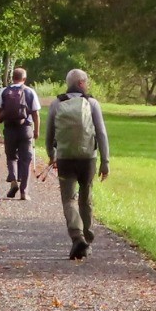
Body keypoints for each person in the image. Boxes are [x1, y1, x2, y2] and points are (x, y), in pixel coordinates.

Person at [45, 68, 109, 260]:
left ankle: (77, 236)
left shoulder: (57, 104)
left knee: (68, 199)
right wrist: (105, 161)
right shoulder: (92, 103)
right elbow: (101, 133)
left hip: (65, 158)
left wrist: (51, 155)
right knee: (85, 197)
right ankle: (87, 239)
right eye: (86, 82)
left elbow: (49, 134)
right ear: (81, 83)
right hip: (88, 158)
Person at [0, 67, 40, 200]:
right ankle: (24, 192)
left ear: (12, 78)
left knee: (11, 157)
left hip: (9, 129)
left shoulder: (4, 91)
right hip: (25, 129)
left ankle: (13, 180)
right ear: (24, 78)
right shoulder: (29, 91)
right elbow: (36, 114)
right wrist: (36, 130)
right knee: (26, 160)